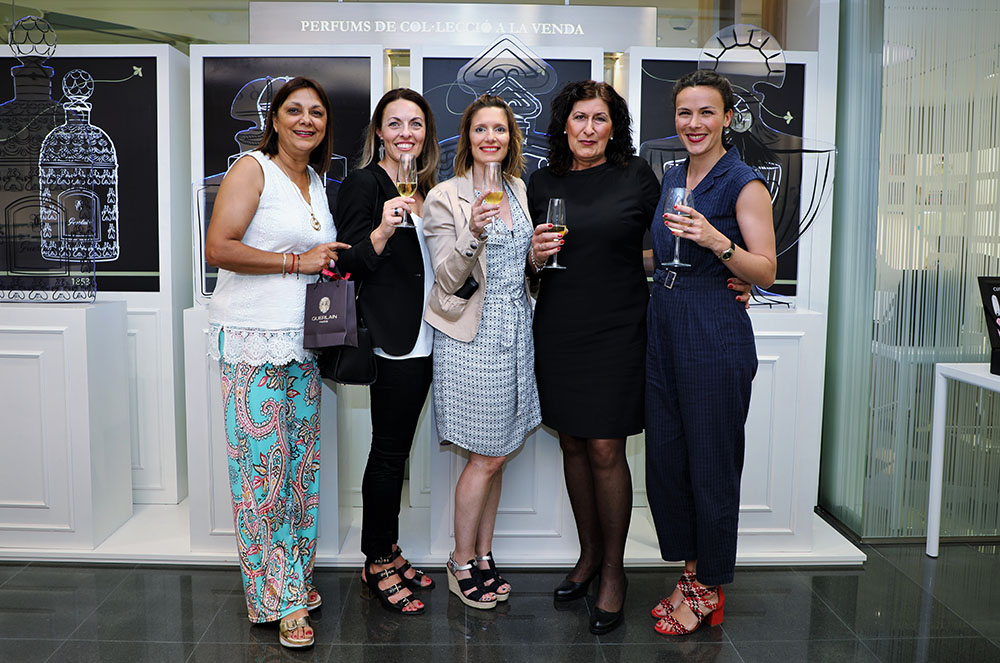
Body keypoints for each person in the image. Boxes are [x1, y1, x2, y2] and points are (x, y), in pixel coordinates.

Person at [205, 76, 350, 649]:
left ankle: (293, 578)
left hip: (303, 343)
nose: (306, 120)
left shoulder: (315, 180)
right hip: (252, 342)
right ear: (275, 119)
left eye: (317, 112)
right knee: (261, 478)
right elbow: (219, 246)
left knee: (300, 474)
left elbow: (317, 255)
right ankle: (278, 601)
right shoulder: (252, 169)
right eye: (295, 110)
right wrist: (296, 262)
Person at [645, 69, 776, 636]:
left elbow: (765, 270)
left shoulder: (744, 183)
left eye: (706, 112)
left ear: (727, 118)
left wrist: (719, 242)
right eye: (685, 113)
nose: (694, 123)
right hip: (665, 324)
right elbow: (660, 255)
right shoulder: (674, 174)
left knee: (712, 464)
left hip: (714, 330)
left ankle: (708, 585)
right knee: (668, 461)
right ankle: (690, 571)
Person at [526, 80, 660, 635]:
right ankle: (587, 554)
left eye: (599, 119)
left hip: (619, 326)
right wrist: (535, 257)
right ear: (564, 125)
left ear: (613, 127)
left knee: (606, 446)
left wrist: (727, 273)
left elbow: (667, 245)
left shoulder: (637, 176)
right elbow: (529, 266)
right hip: (560, 325)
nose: (588, 128)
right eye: (579, 118)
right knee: (573, 443)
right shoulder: (541, 181)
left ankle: (613, 571)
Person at [423, 94, 541, 610]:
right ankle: (460, 561)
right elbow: (447, 278)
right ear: (466, 138)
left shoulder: (517, 187)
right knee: (486, 456)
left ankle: (484, 554)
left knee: (499, 453)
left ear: (511, 138)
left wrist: (539, 255)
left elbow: (519, 265)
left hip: (517, 332)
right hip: (471, 340)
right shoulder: (444, 197)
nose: (490, 137)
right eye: (480, 129)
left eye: (499, 129)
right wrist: (472, 232)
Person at [334, 88, 440, 615]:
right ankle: (376, 561)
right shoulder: (364, 183)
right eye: (395, 123)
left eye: (415, 124)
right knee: (388, 452)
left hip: (427, 338)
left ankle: (389, 548)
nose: (405, 133)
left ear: (425, 134)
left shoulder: (427, 189)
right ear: (379, 131)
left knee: (397, 452)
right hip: (392, 341)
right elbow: (346, 262)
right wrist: (381, 229)